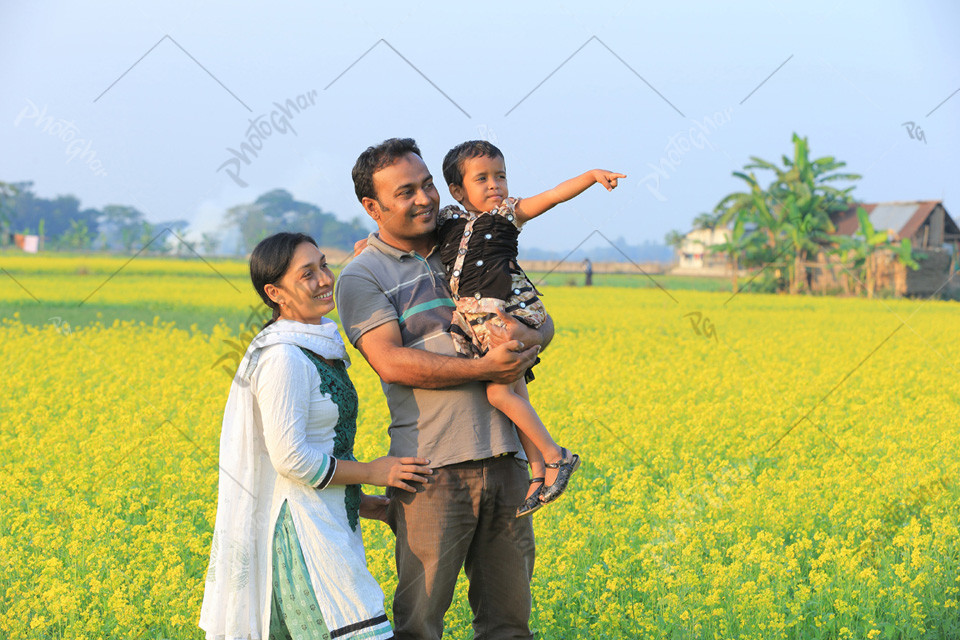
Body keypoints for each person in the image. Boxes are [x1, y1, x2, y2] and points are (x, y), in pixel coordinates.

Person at [335, 138, 550, 640]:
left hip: (506, 460)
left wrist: (531, 338)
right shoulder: (363, 274)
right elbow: (390, 362)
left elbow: (540, 321)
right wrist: (487, 369)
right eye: (406, 192)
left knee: (510, 624)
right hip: (430, 471)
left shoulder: (469, 239)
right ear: (373, 207)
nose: (425, 199)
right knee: (421, 624)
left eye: (428, 184)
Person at [199, 232, 432, 640]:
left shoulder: (316, 344)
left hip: (324, 519)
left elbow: (320, 445)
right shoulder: (283, 357)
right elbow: (291, 460)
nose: (325, 279)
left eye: (324, 265)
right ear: (276, 292)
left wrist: (363, 502)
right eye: (307, 274)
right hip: (303, 534)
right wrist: (374, 472)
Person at [437, 140, 624, 515]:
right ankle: (537, 475)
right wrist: (368, 243)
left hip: (512, 311)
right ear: (457, 190)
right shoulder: (447, 222)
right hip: (479, 322)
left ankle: (557, 455)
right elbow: (407, 238)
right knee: (517, 397)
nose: (495, 185)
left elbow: (553, 196)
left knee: (498, 395)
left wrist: (589, 177)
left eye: (501, 176)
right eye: (483, 178)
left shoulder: (508, 214)